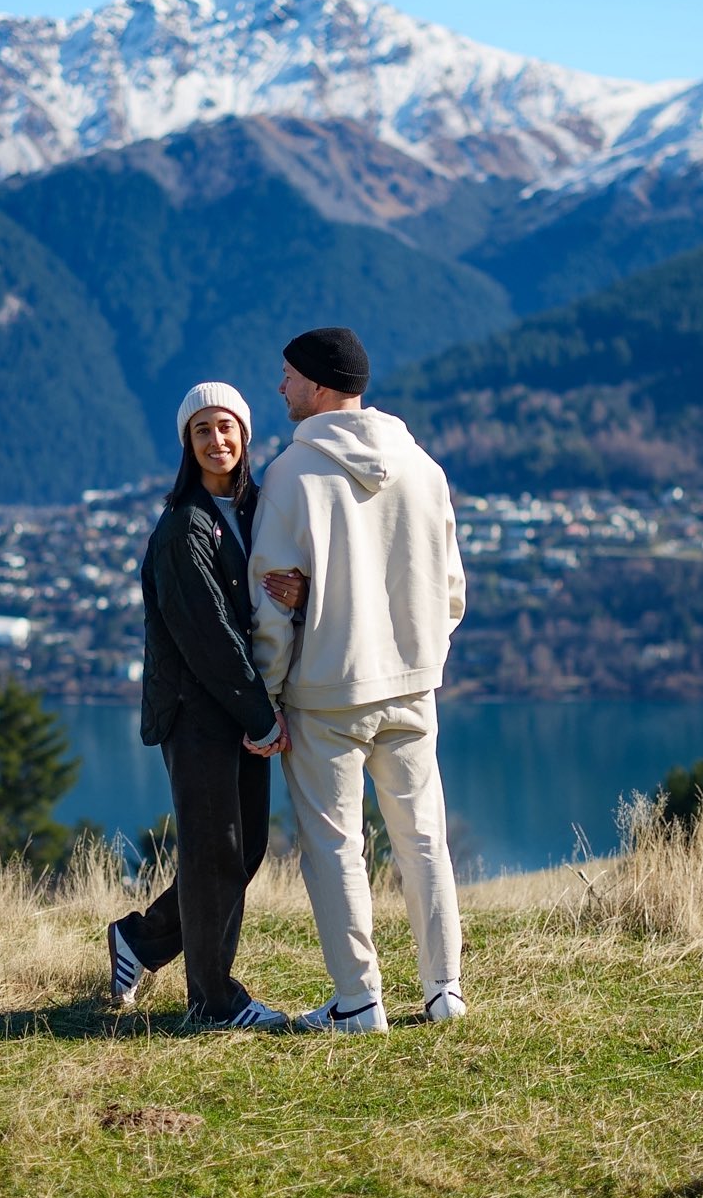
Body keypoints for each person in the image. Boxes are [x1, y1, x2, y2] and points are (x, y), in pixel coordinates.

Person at [248, 327, 468, 1034]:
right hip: (411, 687)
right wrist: (419, 656)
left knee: (336, 846)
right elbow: (451, 590)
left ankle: (359, 1000)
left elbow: (271, 605)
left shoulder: (291, 475)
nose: (280, 387)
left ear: (317, 385)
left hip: (327, 692)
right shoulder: (423, 469)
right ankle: (444, 990)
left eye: (288, 375)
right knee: (424, 836)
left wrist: (267, 693)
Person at [107, 382, 300, 1030]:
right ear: (187, 445)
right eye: (201, 430)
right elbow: (209, 636)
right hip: (197, 713)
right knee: (216, 850)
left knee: (243, 850)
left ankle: (140, 941)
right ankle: (213, 1003)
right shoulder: (184, 527)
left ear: (244, 434)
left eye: (226, 427)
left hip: (241, 706)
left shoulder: (252, 512)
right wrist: (261, 717)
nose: (216, 440)